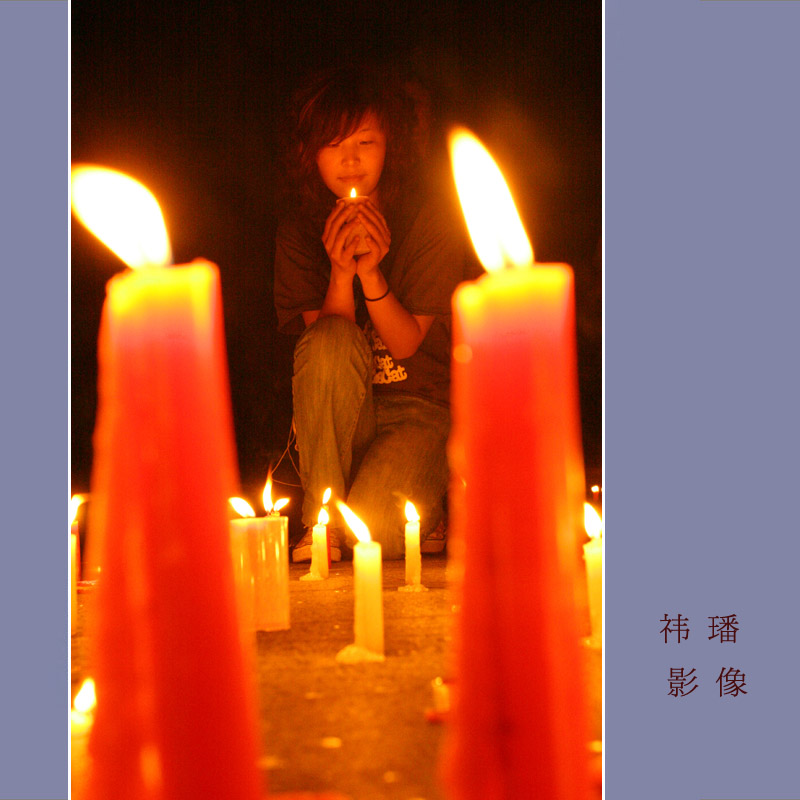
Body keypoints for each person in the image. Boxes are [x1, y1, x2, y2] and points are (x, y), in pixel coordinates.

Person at [273, 63, 470, 561]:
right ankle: (321, 521)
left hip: (418, 410)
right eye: (333, 144)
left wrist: (373, 275)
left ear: (390, 145)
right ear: (310, 154)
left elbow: (405, 344)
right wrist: (341, 274)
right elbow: (325, 350)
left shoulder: (428, 220)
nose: (350, 160)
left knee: (374, 534)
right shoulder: (300, 231)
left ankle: (426, 506)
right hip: (343, 414)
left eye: (365, 142)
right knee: (327, 341)